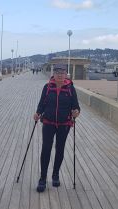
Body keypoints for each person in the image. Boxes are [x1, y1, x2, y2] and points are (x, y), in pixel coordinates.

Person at [33, 64, 80, 192]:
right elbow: (42, 104)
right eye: (57, 72)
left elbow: (76, 106)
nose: (60, 74)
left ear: (66, 74)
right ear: (53, 74)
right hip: (48, 123)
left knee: (60, 149)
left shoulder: (70, 88)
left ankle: (55, 175)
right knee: (46, 149)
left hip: (64, 124)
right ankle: (42, 178)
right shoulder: (47, 87)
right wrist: (37, 113)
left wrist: (76, 112)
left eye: (62, 72)